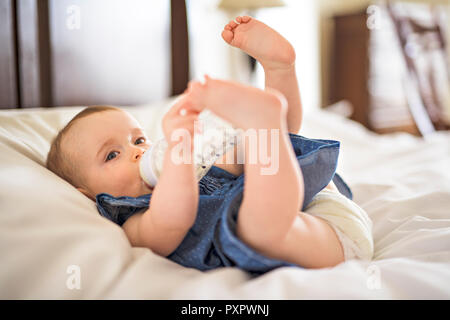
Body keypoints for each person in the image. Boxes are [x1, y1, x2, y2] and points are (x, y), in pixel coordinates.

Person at [47, 16, 373, 274]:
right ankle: (263, 120)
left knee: (250, 149)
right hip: (321, 234)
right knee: (256, 226)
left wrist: (192, 151)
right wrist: (177, 152)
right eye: (113, 155)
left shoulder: (198, 174)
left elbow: (276, 148)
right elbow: (174, 218)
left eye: (139, 139)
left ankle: (278, 71)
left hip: (314, 206)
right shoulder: (132, 220)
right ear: (87, 192)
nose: (137, 152)